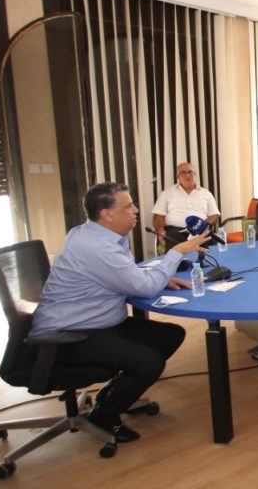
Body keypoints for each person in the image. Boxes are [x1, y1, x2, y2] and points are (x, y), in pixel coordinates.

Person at [31, 182, 209, 441]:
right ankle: (104, 415)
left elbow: (125, 274)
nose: (136, 210)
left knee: (170, 335)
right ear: (107, 214)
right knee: (149, 362)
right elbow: (144, 288)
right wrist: (176, 253)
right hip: (70, 334)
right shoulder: (97, 247)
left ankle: (112, 396)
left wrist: (156, 276)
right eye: (128, 206)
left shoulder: (93, 234)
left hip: (94, 322)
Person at [151, 162, 220, 246]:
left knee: (212, 243)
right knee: (174, 242)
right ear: (178, 176)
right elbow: (158, 215)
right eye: (183, 172)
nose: (187, 175)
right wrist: (161, 230)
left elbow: (214, 215)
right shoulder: (167, 193)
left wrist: (203, 225)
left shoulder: (206, 193)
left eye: (190, 172)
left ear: (195, 174)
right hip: (175, 231)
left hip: (199, 230)